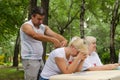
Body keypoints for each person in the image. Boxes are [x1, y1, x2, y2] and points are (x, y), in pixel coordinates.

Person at [20, 6, 67, 80]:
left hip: (39, 59)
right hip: (29, 59)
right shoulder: (26, 26)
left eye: (42, 19)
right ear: (32, 16)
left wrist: (64, 40)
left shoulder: (43, 27)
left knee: (43, 78)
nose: (41, 21)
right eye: (39, 19)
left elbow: (55, 35)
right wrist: (53, 40)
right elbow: (35, 35)